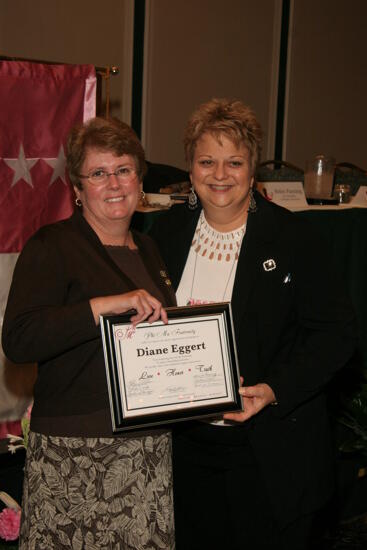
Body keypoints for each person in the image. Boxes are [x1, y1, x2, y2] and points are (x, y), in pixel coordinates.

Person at [150, 98, 357, 550]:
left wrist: (274, 388)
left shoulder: (294, 238)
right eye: (207, 161)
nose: (219, 174)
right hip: (184, 451)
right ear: (190, 170)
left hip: (268, 454)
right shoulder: (164, 234)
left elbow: (337, 334)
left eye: (234, 162)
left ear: (252, 171)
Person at [2, 117, 176, 550]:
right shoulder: (53, 246)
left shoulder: (150, 249)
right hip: (75, 454)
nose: (114, 183)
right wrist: (101, 306)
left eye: (124, 169)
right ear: (77, 189)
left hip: (147, 451)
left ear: (140, 179)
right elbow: (19, 338)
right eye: (98, 173)